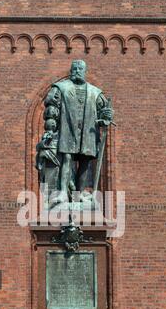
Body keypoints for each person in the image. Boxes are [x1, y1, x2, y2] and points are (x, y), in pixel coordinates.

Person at [41, 59, 113, 204]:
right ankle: (62, 192)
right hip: (68, 129)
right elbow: (52, 110)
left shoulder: (95, 92)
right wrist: (50, 129)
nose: (76, 71)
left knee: (85, 161)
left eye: (80, 69)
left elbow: (104, 110)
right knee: (67, 158)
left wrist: (106, 116)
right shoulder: (61, 88)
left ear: (85, 72)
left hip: (88, 132)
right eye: (74, 69)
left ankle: (78, 194)